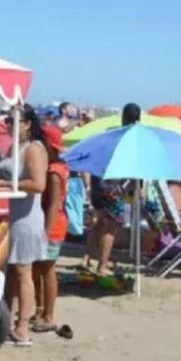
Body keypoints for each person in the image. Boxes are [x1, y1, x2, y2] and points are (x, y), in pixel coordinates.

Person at [0, 106, 48, 346]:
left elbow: (38, 184)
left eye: (13, 121)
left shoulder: (33, 149)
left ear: (27, 124)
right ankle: (9, 321)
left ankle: (23, 327)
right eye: (7, 120)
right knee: (13, 272)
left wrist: (6, 185)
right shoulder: (15, 147)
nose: (8, 125)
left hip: (26, 218)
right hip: (13, 214)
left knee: (24, 272)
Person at [81, 103, 141, 275]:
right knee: (110, 228)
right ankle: (102, 265)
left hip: (97, 182)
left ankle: (86, 258)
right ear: (138, 119)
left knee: (99, 223)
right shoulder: (132, 138)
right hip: (113, 186)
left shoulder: (110, 133)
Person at [33, 125, 68, 333]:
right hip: (51, 223)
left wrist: (45, 232)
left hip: (53, 225)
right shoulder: (55, 168)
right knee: (38, 268)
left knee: (47, 269)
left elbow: (54, 205)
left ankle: (48, 315)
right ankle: (40, 309)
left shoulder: (55, 172)